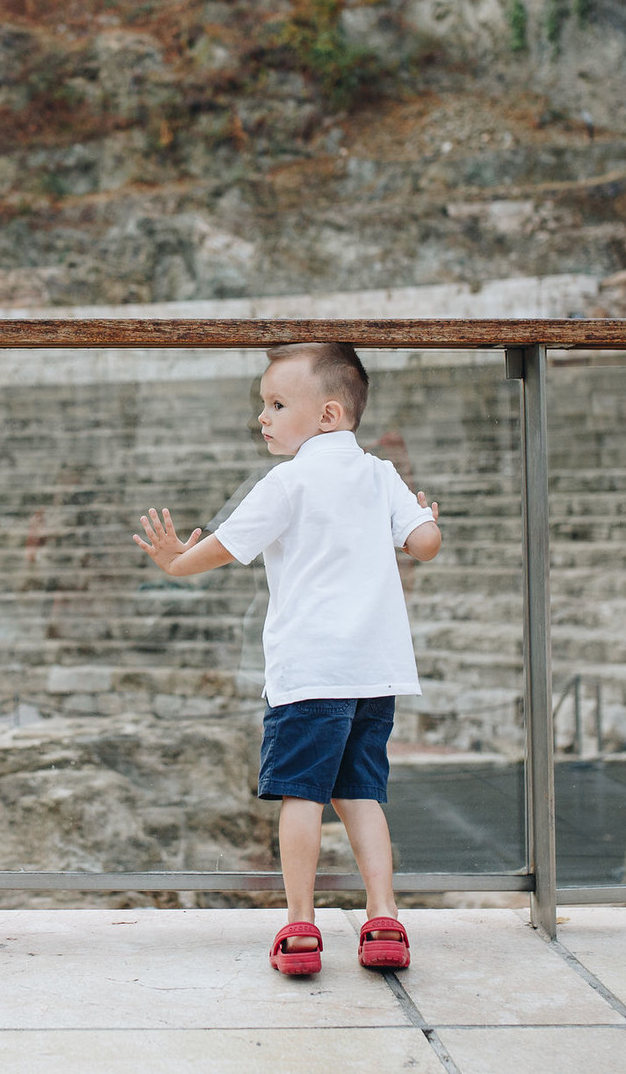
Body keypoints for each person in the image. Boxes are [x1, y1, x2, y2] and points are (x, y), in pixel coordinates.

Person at [132, 342, 442, 976]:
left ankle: (301, 924)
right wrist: (428, 520)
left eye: (275, 404)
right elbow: (426, 544)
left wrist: (174, 562)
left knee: (301, 796)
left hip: (309, 673)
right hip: (372, 673)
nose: (263, 418)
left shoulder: (288, 480)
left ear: (327, 414)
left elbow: (224, 546)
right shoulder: (381, 474)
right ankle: (383, 916)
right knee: (362, 793)